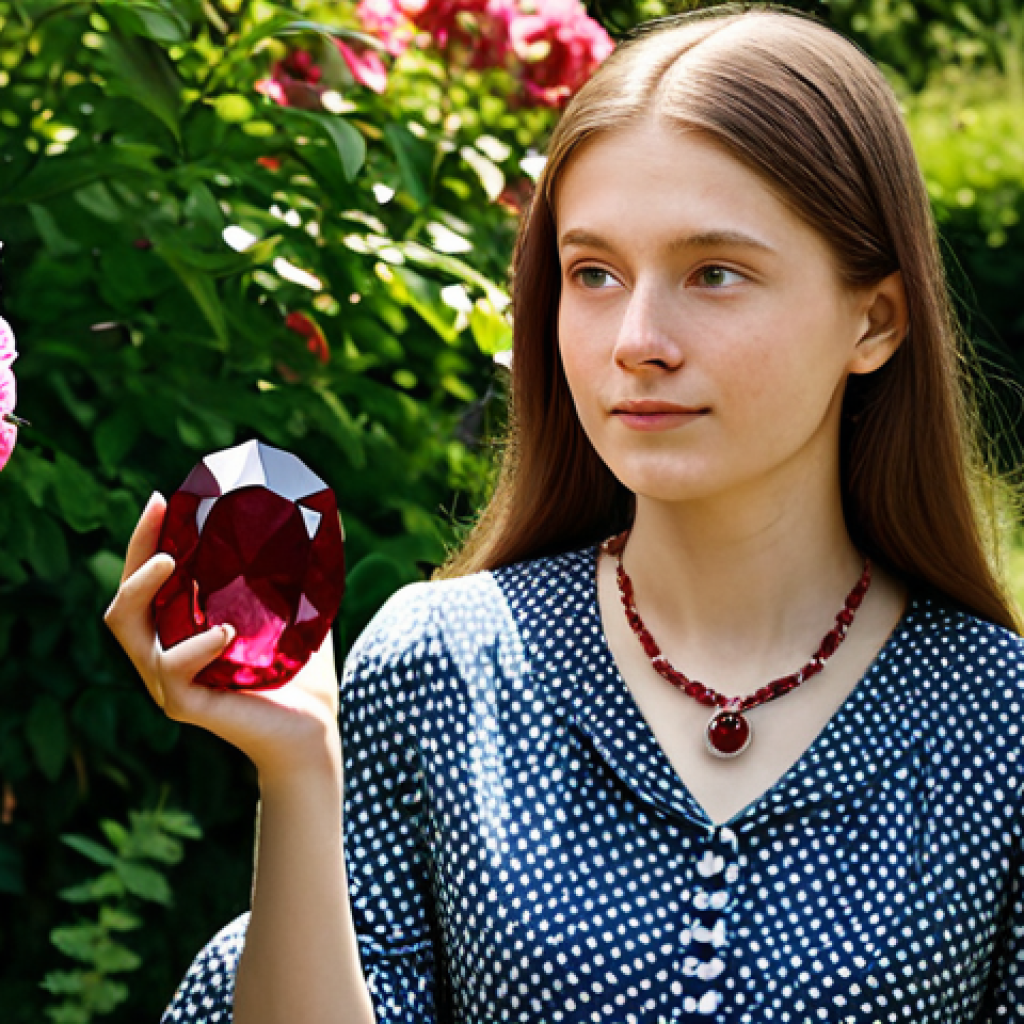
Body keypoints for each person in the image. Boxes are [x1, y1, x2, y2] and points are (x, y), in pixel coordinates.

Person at [104, 4, 1024, 1022]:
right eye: (593, 273)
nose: (637, 338)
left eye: (712, 273)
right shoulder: (439, 664)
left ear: (876, 318)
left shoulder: (996, 716)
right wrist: (298, 768)